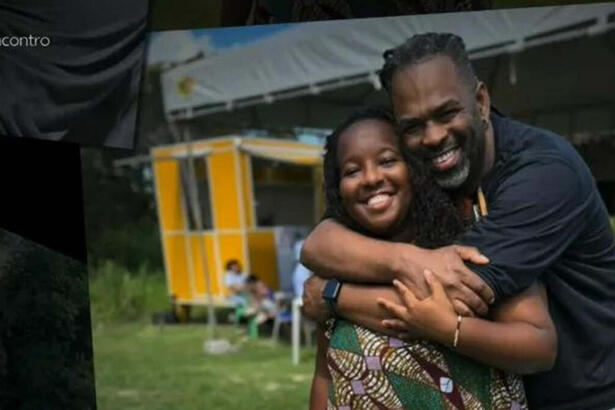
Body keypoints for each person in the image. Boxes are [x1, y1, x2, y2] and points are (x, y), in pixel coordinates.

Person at [301, 33, 615, 410]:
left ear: (480, 101)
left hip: (587, 397)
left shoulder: (544, 175)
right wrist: (404, 259)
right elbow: (320, 243)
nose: (433, 137)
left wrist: (335, 296)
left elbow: (445, 297)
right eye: (413, 126)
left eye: (446, 113)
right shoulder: (439, 174)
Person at [309, 106, 555, 409]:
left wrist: (448, 328)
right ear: (338, 189)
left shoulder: (474, 242)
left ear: (415, 169)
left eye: (387, 160)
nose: (370, 178)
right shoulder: (340, 267)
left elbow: (539, 349)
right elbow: (324, 374)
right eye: (352, 171)